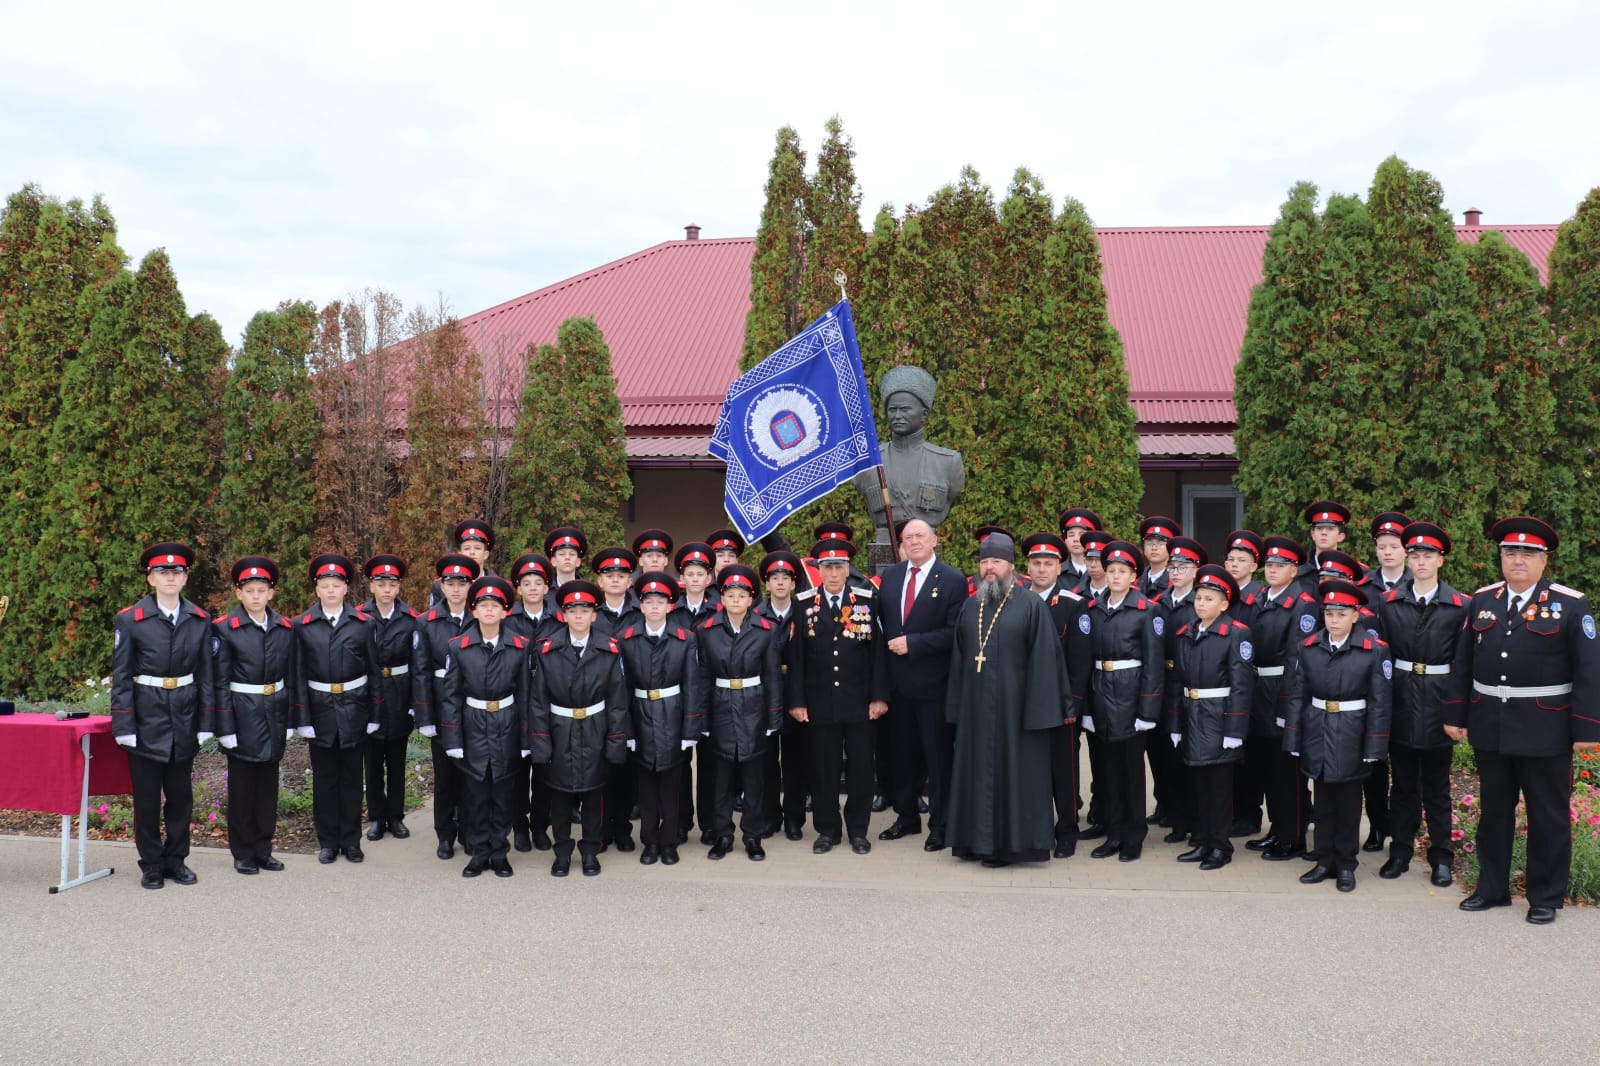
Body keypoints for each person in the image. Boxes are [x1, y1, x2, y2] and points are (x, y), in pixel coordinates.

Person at [1449, 516, 1600, 925]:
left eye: (1528, 553)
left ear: (1544, 559)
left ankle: (1545, 897)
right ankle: (1492, 889)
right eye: (1510, 552)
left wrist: (1588, 730)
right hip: (1490, 725)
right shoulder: (1483, 600)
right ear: (1500, 557)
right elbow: (1464, 662)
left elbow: (1588, 669)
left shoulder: (1570, 604)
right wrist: (1455, 713)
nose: (1517, 560)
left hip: (1545, 728)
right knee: (1494, 812)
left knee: (1547, 815)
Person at [943, 533, 1071, 866]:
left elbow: (1046, 661)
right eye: (984, 562)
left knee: (1015, 780)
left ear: (1011, 567)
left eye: (996, 562)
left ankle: (1011, 847)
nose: (989, 568)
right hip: (976, 713)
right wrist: (957, 708)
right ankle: (975, 843)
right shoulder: (971, 606)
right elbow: (958, 660)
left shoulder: (1031, 606)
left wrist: (1038, 713)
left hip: (1017, 716)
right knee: (976, 776)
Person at [111, 542, 216, 889]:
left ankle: (176, 860)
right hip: (145, 720)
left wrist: (205, 723)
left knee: (180, 798)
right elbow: (122, 675)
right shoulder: (131, 619)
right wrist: (124, 724)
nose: (170, 577)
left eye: (176, 572)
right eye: (162, 572)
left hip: (184, 718)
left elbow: (206, 676)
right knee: (146, 800)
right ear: (151, 578)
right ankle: (152, 864)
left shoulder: (199, 620)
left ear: (185, 579)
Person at [1282, 579, 1393, 893]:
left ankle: (1346, 863)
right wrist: (1293, 738)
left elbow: (1381, 703)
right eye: (1329, 614)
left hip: (1352, 731)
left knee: (1346, 803)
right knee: (1323, 800)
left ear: (1355, 616)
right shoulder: (1309, 647)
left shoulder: (1374, 651)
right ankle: (1324, 859)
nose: (1334, 620)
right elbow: (1297, 695)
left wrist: (1375, 746)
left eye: (1342, 614)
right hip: (1317, 728)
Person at [1375, 521, 1468, 887]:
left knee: (1437, 787)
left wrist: (1458, 712)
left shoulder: (1461, 606)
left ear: (1440, 560)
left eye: (1428, 555)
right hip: (1400, 699)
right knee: (1402, 787)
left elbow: (1464, 665)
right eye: (1415, 554)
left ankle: (1442, 857)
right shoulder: (1389, 602)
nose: (1421, 561)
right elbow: (1380, 659)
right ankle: (1400, 851)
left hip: (1439, 702)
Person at [785, 541, 890, 856]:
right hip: (819, 704)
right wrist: (797, 702)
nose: (833, 573)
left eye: (839, 566)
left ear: (848, 569)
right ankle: (827, 830)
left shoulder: (867, 601)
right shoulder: (803, 603)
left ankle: (858, 831)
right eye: (827, 567)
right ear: (818, 570)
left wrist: (879, 697)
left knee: (860, 770)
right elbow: (797, 658)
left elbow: (878, 655)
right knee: (824, 770)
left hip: (860, 704)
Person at [526, 579, 629, 877]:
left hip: (595, 729)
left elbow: (618, 701)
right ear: (564, 615)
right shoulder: (547, 650)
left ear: (594, 615)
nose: (579, 616)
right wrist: (541, 742)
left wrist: (615, 741)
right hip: (560, 730)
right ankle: (561, 853)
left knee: (594, 796)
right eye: (573, 611)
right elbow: (538, 701)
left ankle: (589, 851)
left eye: (585, 610)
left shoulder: (609, 650)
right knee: (559, 797)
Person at [876, 519, 967, 850]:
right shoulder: (891, 577)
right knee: (901, 757)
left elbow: (955, 632)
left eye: (919, 536)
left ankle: (940, 825)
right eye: (907, 537)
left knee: (937, 759)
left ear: (934, 541)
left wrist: (913, 643)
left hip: (934, 688)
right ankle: (906, 817)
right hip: (897, 688)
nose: (913, 542)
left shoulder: (954, 580)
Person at [440, 576, 531, 878]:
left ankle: (499, 853)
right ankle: (479, 853)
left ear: (506, 611)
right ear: (474, 611)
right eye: (483, 606)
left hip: (506, 724)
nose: (489, 610)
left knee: (503, 794)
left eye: (495, 606)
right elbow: (450, 696)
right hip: (473, 725)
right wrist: (452, 737)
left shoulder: (520, 646)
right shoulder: (458, 647)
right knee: (475, 795)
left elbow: (526, 695)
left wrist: (526, 736)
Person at [293, 553, 382, 865]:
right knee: (325, 780)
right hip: (320, 712)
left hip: (355, 710)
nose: (331, 590)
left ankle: (351, 840)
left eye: (337, 585)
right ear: (316, 589)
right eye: (324, 585)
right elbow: (298, 676)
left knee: (351, 779)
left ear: (346, 589)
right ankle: (328, 841)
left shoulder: (362, 625)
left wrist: (374, 715)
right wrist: (301, 719)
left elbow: (374, 673)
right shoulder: (301, 626)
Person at [1165, 565, 1253, 870]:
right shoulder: (1186, 632)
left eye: (1209, 599)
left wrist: (1235, 729)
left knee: (1218, 789)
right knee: (1197, 785)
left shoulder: (1236, 634)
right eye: (1199, 598)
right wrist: (1175, 723)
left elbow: (1242, 685)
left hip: (1218, 719)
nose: (1201, 604)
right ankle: (1201, 840)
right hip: (1192, 717)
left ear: (1225, 604)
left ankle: (1220, 846)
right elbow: (1178, 681)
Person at [211, 556, 295, 875]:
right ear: (239, 594)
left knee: (267, 788)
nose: (256, 596)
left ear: (271, 593)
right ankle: (242, 852)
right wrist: (224, 725)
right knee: (243, 788)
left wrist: (289, 720)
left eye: (262, 589)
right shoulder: (224, 629)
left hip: (274, 712)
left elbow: (292, 675)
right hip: (242, 714)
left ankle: (263, 848)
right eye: (250, 590)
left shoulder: (284, 627)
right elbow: (218, 681)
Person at [1083, 540, 1164, 862]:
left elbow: (1154, 665)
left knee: (1131, 772)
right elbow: (1086, 662)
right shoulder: (1094, 609)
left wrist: (1147, 710)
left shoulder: (1147, 611)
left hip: (1130, 698)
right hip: (1102, 694)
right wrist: (1088, 708)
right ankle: (1113, 833)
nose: (1115, 576)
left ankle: (1133, 836)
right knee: (1106, 772)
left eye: (1123, 571)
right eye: (1112, 570)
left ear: (1134, 576)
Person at [698, 564, 785, 860]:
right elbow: (702, 677)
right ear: (722, 598)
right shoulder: (706, 631)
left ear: (751, 600)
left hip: (754, 706)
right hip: (721, 705)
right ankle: (723, 835)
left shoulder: (766, 630)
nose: (736, 600)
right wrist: (703, 718)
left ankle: (752, 835)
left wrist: (774, 716)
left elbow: (773, 675)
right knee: (721, 779)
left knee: (754, 779)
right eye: (730, 594)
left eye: (742, 595)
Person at [617, 572, 705, 866]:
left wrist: (691, 727)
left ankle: (669, 842)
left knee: (671, 784)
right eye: (649, 602)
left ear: (670, 606)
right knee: (646, 785)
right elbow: (622, 689)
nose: (654, 607)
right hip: (640, 716)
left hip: (673, 715)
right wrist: (626, 730)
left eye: (661, 602)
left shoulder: (685, 638)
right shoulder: (627, 638)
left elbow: (693, 685)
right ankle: (650, 841)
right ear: (640, 606)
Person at [1241, 537, 1319, 861]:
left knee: (1288, 771)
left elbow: (1297, 659)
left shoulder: (1302, 603)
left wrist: (1289, 705)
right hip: (1258, 689)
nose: (1273, 570)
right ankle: (1277, 829)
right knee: (1269, 768)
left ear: (1293, 571)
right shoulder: (1260, 596)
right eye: (1269, 565)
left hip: (1281, 692)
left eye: (1280, 566)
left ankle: (1294, 836)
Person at [1020, 532, 1093, 858]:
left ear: (1059, 567)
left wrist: (1073, 704)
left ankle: (1067, 831)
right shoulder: (1016, 601)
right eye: (1036, 563)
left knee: (1064, 771)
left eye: (1048, 563)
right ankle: (1034, 826)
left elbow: (1080, 662)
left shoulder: (1072, 605)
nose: (1041, 569)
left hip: (1060, 703)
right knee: (1029, 769)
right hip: (1023, 703)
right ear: (1027, 566)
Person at [410, 553, 481, 859]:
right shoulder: (426, 623)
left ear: (470, 586)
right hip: (441, 707)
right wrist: (424, 714)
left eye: (462, 583)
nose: (456, 589)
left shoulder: (481, 617)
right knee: (445, 775)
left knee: (470, 773)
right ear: (442, 585)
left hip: (473, 705)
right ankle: (444, 833)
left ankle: (468, 829)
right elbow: (421, 671)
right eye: (450, 583)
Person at [851, 364, 966, 539]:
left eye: (905, 410)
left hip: (925, 543)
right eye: (892, 410)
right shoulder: (868, 460)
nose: (897, 416)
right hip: (885, 540)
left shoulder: (948, 462)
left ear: (924, 414)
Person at [361, 553, 418, 843]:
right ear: (371, 587)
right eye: (380, 583)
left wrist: (414, 703)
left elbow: (417, 663)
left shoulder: (410, 619)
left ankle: (395, 816)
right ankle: (376, 818)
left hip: (399, 691)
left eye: (392, 584)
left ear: (398, 588)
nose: (386, 589)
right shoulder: (360, 617)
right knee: (372, 762)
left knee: (397, 761)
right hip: (372, 694)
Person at [504, 552, 559, 851]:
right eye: (527, 583)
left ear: (547, 587)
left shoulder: (558, 619)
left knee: (545, 770)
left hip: (549, 704)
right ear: (519, 588)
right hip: (515, 702)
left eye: (539, 582)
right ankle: (519, 826)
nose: (534, 587)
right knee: (516, 770)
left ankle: (541, 825)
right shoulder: (507, 618)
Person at [1153, 535, 1206, 843]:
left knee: (1189, 757)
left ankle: (1193, 820)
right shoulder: (1159, 601)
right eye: (1172, 566)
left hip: (1188, 685)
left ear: (1196, 571)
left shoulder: (1199, 603)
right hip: (1163, 682)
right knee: (1165, 757)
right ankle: (1175, 817)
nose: (1174, 572)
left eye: (1182, 566)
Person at [590, 545, 642, 853]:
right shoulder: (589, 614)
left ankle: (622, 828)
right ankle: (600, 830)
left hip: (633, 703)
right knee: (600, 770)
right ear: (599, 581)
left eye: (621, 575)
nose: (615, 580)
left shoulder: (640, 611)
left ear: (629, 581)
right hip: (598, 704)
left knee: (627, 769)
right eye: (609, 575)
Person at [754, 550, 807, 840]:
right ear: (767, 583)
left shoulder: (805, 612)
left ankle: (794, 819)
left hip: (796, 695)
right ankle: (770, 816)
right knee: (766, 762)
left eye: (786, 578)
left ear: (793, 583)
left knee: (795, 761)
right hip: (765, 697)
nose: (780, 583)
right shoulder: (756, 614)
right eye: (774, 578)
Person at [1299, 501, 1351, 590]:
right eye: (1319, 528)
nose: (1324, 533)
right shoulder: (1297, 570)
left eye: (1330, 529)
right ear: (1313, 534)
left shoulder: (1350, 571)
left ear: (1340, 537)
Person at [1367, 511, 1412, 594]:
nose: (1387, 552)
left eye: (1394, 547)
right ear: (1376, 549)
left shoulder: (1416, 586)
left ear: (1406, 551)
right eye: (1382, 547)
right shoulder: (1363, 587)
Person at [1058, 508, 1102, 592]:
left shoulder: (1104, 570)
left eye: (1082, 535)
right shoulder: (1057, 571)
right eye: (1071, 535)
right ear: (1065, 540)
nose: (1076, 539)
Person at [1139, 516, 1180, 599]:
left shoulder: (1177, 581)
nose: (1154, 548)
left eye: (1160, 543)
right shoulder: (1135, 580)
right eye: (1149, 543)